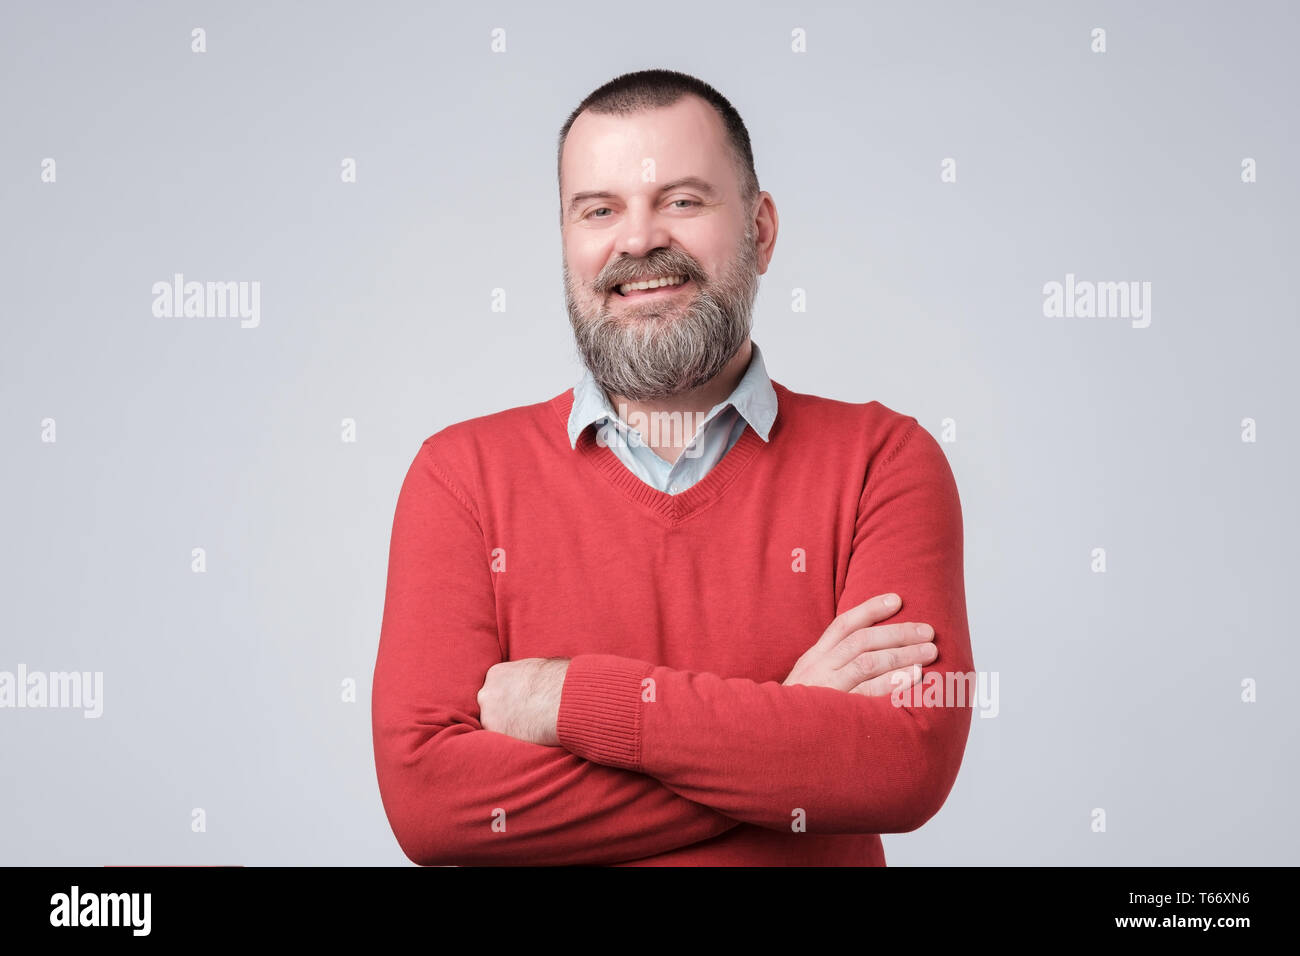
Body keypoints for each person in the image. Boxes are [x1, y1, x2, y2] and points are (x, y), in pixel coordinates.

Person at [371, 68, 974, 866]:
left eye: (682, 201)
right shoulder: (461, 479)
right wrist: (791, 725)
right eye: (599, 210)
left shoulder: (882, 463)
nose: (638, 240)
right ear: (566, 239)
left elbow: (901, 764)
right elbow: (432, 807)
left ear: (760, 230)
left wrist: (568, 698)